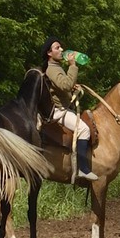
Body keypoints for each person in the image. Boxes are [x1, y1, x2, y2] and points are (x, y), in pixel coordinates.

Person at [43, 37, 98, 182]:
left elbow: (64, 86)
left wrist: (73, 88)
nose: (61, 50)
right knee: (84, 129)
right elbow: (65, 85)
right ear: (49, 53)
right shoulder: (51, 68)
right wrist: (73, 66)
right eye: (57, 48)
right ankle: (83, 169)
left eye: (61, 47)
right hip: (58, 111)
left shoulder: (55, 67)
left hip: (63, 108)